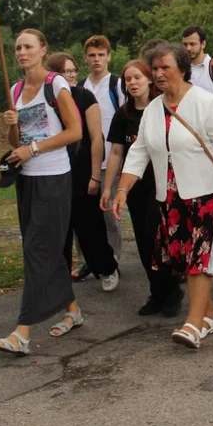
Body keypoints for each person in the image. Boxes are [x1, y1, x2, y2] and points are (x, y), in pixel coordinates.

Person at [116, 42, 213, 348]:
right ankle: (208, 314)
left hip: (204, 193)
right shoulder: (154, 110)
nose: (158, 74)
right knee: (183, 259)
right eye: (154, 69)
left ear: (182, 69)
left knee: (199, 258)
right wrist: (122, 189)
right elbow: (139, 152)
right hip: (168, 197)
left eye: (164, 68)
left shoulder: (205, 102)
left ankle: (193, 324)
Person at [0, 29, 83, 356]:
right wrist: (11, 124)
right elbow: (15, 142)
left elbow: (75, 131)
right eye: (18, 47)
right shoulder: (15, 89)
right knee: (42, 248)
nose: (22, 52)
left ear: (43, 49)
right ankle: (72, 309)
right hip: (26, 179)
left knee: (36, 249)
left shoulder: (55, 84)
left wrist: (33, 148)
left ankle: (22, 332)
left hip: (54, 176)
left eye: (28, 46)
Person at [105, 59, 183, 316]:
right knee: (143, 240)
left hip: (163, 184)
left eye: (137, 77)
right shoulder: (123, 114)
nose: (132, 83)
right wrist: (109, 188)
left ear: (150, 79)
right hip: (134, 187)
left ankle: (172, 292)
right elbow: (116, 152)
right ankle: (156, 292)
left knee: (160, 237)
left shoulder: (163, 108)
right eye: (128, 79)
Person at [45, 53, 118, 291]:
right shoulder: (46, 100)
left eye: (74, 70)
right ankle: (60, 277)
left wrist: (95, 175)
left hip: (82, 170)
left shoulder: (84, 96)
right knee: (61, 229)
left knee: (90, 227)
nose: (72, 75)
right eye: (66, 72)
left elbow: (97, 138)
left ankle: (106, 267)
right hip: (54, 172)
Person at [80, 34, 124, 282]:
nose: (96, 59)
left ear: (109, 56)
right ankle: (91, 260)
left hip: (112, 160)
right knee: (86, 215)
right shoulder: (80, 87)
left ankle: (113, 260)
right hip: (89, 161)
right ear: (86, 58)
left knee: (109, 214)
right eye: (92, 55)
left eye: (101, 55)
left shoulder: (115, 85)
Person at [181, 26, 213, 109]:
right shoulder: (180, 68)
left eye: (192, 44)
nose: (188, 48)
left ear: (203, 44)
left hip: (211, 120)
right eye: (185, 44)